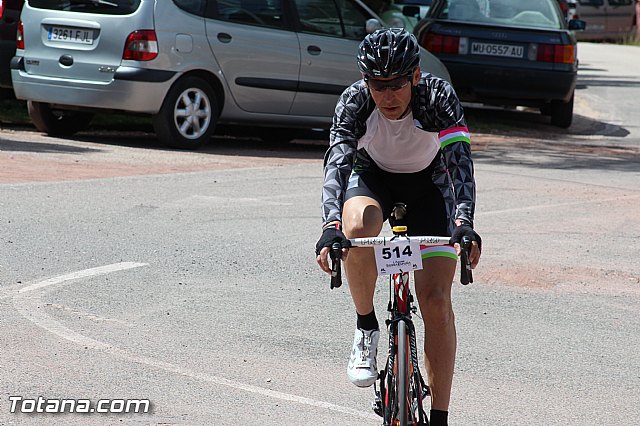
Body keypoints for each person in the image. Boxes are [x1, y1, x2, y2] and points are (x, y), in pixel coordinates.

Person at [315, 28, 482, 426]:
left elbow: (459, 162)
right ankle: (365, 326)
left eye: (396, 85)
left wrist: (464, 222)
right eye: (378, 85)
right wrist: (329, 226)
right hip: (374, 179)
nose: (387, 96)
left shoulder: (438, 98)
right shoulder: (355, 101)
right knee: (359, 226)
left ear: (416, 76)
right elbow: (337, 162)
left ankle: (439, 416)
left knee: (437, 303)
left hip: (430, 186)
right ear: (366, 81)